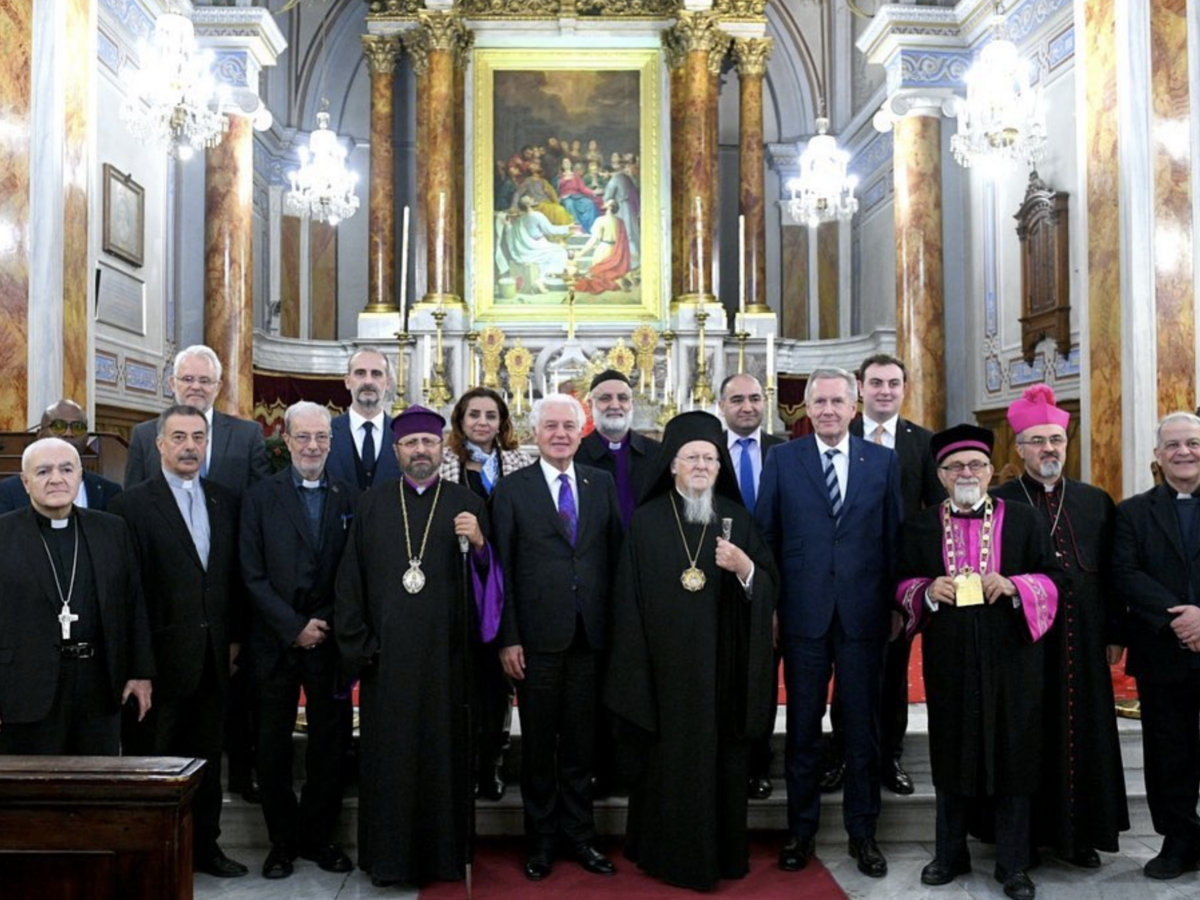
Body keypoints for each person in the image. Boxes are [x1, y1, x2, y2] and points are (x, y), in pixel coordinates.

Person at [604, 411, 777, 891]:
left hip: (722, 675)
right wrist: (637, 671)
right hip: (663, 679)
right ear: (673, 465)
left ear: (720, 467)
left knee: (720, 765)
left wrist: (745, 569)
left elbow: (767, 586)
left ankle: (719, 855)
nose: (702, 465)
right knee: (667, 768)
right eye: (692, 458)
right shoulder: (646, 522)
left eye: (710, 458)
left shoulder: (736, 519)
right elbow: (627, 603)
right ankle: (665, 855)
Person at [335, 406, 502, 888]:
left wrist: (482, 547)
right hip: (386, 664)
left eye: (428, 443)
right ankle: (387, 860)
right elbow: (350, 582)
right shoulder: (372, 504)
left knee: (441, 759)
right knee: (390, 763)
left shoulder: (465, 504)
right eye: (411, 444)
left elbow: (490, 585)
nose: (421, 451)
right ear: (397, 452)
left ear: (441, 447)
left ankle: (442, 857)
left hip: (448, 665)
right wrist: (362, 646)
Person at [896, 424, 1060, 900]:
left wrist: (1015, 585)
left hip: (1012, 654)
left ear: (991, 471)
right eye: (955, 467)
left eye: (976, 465)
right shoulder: (921, 525)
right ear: (941, 475)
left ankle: (1013, 864)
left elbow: (1054, 578)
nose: (966, 473)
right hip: (949, 655)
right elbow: (899, 583)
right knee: (950, 750)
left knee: (1014, 752)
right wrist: (926, 590)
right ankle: (949, 854)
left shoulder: (1026, 520)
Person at [755, 367, 901, 879]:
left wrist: (894, 606)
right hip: (802, 615)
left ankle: (864, 835)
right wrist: (770, 608)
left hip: (863, 616)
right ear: (806, 409)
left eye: (839, 402)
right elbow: (766, 539)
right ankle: (801, 832)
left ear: (854, 407)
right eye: (820, 402)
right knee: (801, 730)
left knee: (861, 730)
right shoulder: (782, 460)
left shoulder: (882, 461)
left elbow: (892, 540)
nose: (829, 411)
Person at [109, 404, 249, 878]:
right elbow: (129, 596)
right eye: (180, 437)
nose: (190, 446)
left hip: (213, 661)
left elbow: (228, 580)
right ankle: (153, 856)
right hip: (159, 667)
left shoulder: (224, 500)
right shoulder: (130, 505)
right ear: (159, 444)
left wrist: (233, 642)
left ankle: (205, 850)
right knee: (155, 765)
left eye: (198, 437)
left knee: (207, 764)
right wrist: (138, 667)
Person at [991, 384, 1128, 866]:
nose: (1049, 449)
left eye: (1057, 440)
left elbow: (1113, 574)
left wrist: (1115, 633)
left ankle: (1079, 837)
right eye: (1038, 441)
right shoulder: (1000, 501)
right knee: (1027, 735)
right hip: (1022, 644)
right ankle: (1023, 839)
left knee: (1083, 733)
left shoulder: (1094, 501)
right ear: (1020, 446)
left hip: (1085, 643)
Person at [493, 394, 623, 882]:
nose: (561, 434)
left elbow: (614, 558)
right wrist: (508, 638)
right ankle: (542, 841)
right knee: (540, 747)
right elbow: (501, 570)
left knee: (581, 747)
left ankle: (581, 836)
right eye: (551, 426)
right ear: (535, 432)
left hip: (590, 638)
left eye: (569, 426)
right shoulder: (512, 489)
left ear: (582, 430)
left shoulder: (601, 483)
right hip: (536, 642)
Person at [240, 402, 355, 880]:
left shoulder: (349, 496)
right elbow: (251, 573)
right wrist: (293, 627)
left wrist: (321, 623)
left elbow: (354, 571)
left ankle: (318, 838)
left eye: (321, 437)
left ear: (331, 441)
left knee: (330, 745)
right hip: (273, 644)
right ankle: (281, 842)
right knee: (271, 748)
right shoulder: (259, 497)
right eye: (303, 437)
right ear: (285, 440)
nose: (313, 446)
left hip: (329, 645)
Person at [823, 354, 945, 796]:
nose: (885, 391)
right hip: (842, 578)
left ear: (904, 388)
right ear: (860, 388)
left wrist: (914, 587)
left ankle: (889, 757)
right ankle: (840, 753)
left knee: (893, 674)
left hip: (898, 580)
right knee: (847, 673)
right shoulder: (838, 432)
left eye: (893, 383)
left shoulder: (923, 443)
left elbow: (932, 518)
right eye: (876, 383)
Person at [0, 438, 152, 755]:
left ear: (80, 475)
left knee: (96, 788)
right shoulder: (5, 534)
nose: (57, 478)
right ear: (25, 482)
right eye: (43, 471)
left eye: (66, 469)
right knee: (32, 794)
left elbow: (134, 604)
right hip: (25, 686)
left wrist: (140, 672)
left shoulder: (112, 530)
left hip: (98, 684)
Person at [1112, 411, 1200, 880]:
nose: (1184, 452)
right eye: (1173, 445)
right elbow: (1125, 574)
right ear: (1157, 455)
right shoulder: (1132, 512)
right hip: (1162, 651)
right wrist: (1182, 619)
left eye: (1192, 442)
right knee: (1168, 752)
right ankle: (1179, 839)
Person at [440, 387, 534, 802]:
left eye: (491, 415)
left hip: (507, 584)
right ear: (460, 420)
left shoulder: (519, 463)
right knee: (464, 681)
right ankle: (462, 762)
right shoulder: (445, 464)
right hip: (461, 586)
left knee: (498, 683)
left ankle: (491, 764)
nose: (482, 422)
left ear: (502, 423)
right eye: (474, 414)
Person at [718, 373, 785, 801]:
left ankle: (759, 764)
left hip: (770, 583)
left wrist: (775, 598)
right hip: (716, 586)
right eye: (737, 399)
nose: (747, 406)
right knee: (723, 678)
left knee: (761, 679)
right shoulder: (705, 453)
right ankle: (724, 761)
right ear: (721, 405)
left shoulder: (786, 452)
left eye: (755, 398)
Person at [124, 344, 269, 495]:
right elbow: (133, 498)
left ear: (218, 387)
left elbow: (260, 500)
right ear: (173, 384)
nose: (195, 386)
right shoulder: (144, 435)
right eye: (187, 379)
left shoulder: (247, 435)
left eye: (204, 380)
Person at [0, 400, 122, 512]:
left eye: (77, 427)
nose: (68, 433)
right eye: (58, 426)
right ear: (40, 435)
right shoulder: (7, 492)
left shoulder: (109, 492)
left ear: (87, 438)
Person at [577, 369, 660, 532]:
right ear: (590, 405)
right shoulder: (575, 454)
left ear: (632, 404)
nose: (615, 405)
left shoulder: (656, 453)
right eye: (605, 398)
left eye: (623, 398)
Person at [327, 347, 401, 493]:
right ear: (347, 382)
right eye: (360, 373)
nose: (368, 381)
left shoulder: (402, 434)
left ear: (388, 383)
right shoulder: (326, 432)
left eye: (376, 374)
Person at [575, 199, 633, 295]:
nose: (604, 202)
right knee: (608, 272)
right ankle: (618, 281)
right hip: (616, 250)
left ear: (609, 207)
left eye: (607, 202)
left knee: (598, 275)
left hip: (603, 249)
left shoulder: (600, 220)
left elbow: (593, 240)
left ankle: (615, 283)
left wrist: (581, 253)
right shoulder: (620, 221)